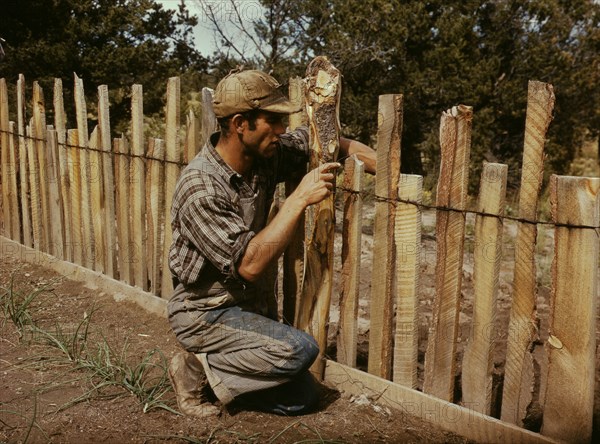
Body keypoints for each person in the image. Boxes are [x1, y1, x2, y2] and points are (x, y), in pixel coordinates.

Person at [167, 68, 376, 417]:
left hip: (246, 310)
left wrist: (383, 168)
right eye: (273, 121)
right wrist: (297, 200)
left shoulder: (263, 154)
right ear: (239, 124)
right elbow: (248, 265)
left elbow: (329, 144)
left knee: (301, 398)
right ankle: (194, 369)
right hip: (205, 312)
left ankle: (223, 378)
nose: (281, 131)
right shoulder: (200, 187)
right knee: (300, 349)